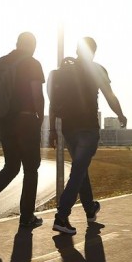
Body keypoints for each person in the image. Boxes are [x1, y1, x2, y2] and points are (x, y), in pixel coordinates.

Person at [50, 37, 126, 235]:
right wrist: (120, 114)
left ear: (77, 50)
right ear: (94, 52)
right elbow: (109, 95)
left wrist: (52, 130)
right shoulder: (96, 69)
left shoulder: (65, 70)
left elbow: (53, 100)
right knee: (78, 171)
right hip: (87, 128)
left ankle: (90, 209)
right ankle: (61, 216)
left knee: (80, 169)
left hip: (68, 129)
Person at [0, 32, 46, 229]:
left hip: (6, 122)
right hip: (26, 119)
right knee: (31, 169)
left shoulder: (2, 62)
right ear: (32, 46)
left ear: (17, 44)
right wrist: (40, 119)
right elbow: (37, 95)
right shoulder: (32, 63)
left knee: (12, 166)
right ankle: (27, 217)